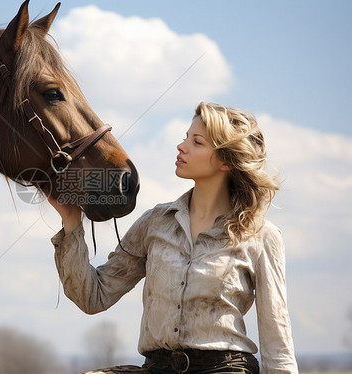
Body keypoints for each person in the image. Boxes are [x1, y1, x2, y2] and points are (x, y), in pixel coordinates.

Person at [48, 102, 298, 374]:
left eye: (197, 141)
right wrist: (72, 224)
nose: (182, 146)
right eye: (185, 137)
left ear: (226, 160)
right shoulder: (155, 222)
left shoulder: (262, 236)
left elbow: (277, 341)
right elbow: (93, 296)